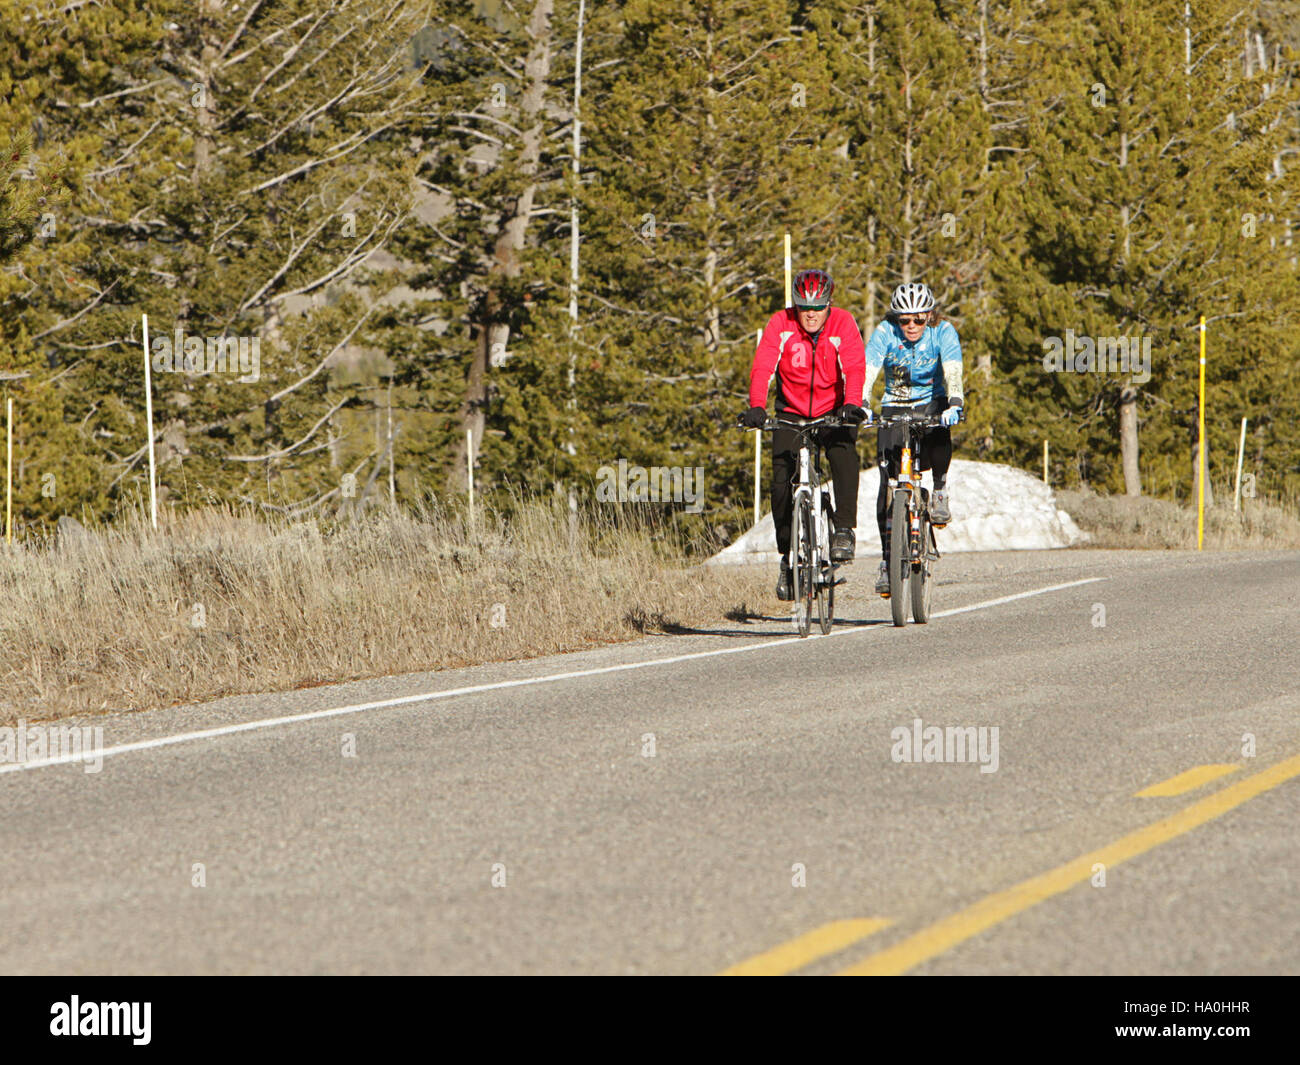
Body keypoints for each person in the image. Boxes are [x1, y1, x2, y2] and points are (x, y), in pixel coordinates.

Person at [739, 268, 868, 601]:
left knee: (843, 456)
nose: (811, 314)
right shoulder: (780, 324)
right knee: (780, 481)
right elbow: (763, 366)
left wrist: (852, 403)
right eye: (804, 307)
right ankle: (787, 556)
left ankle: (843, 530)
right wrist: (757, 406)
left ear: (829, 303)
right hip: (791, 412)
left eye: (818, 306)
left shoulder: (843, 323)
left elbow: (854, 366)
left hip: (834, 410)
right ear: (795, 305)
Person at [863, 282, 964, 596]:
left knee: (939, 428)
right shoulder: (885, 332)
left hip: (931, 401)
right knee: (887, 480)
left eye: (918, 319)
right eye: (904, 320)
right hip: (895, 402)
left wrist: (956, 402)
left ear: (930, 316)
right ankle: (886, 560)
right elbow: (868, 369)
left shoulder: (943, 332)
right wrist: (862, 402)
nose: (911, 326)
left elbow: (953, 369)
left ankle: (940, 489)